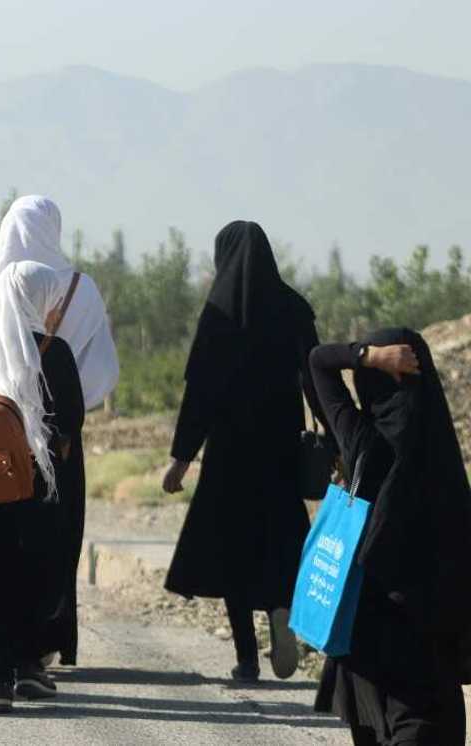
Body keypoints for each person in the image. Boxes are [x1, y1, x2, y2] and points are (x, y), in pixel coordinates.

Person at [161, 220, 325, 682]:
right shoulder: (293, 307)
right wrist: (338, 438)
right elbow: (315, 378)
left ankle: (247, 658)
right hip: (278, 451)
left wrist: (181, 458)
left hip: (229, 454)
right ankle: (279, 608)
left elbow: (201, 394)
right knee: (278, 536)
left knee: (233, 549)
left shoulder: (219, 312)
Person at [0, 194, 119, 669]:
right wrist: (56, 410)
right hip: (59, 441)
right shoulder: (81, 290)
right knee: (53, 538)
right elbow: (101, 370)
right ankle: (44, 641)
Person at [309, 330, 471, 745]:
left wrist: (366, 356)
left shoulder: (363, 437)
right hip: (427, 633)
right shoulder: (443, 458)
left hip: (364, 625)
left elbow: (318, 362)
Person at [0, 260, 87, 714]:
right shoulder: (58, 351)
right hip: (39, 485)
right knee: (36, 569)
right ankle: (31, 665)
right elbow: (71, 421)